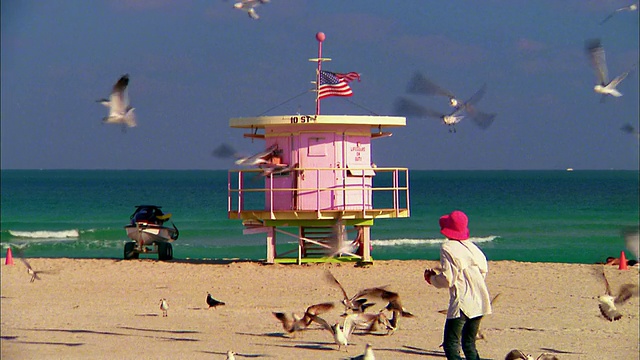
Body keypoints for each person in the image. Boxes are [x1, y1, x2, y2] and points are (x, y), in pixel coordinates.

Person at [424, 210, 492, 360]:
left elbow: (448, 279)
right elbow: (483, 271)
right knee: (469, 344)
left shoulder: (447, 247)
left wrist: (432, 279)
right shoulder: (474, 248)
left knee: (451, 344)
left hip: (462, 302)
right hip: (480, 299)